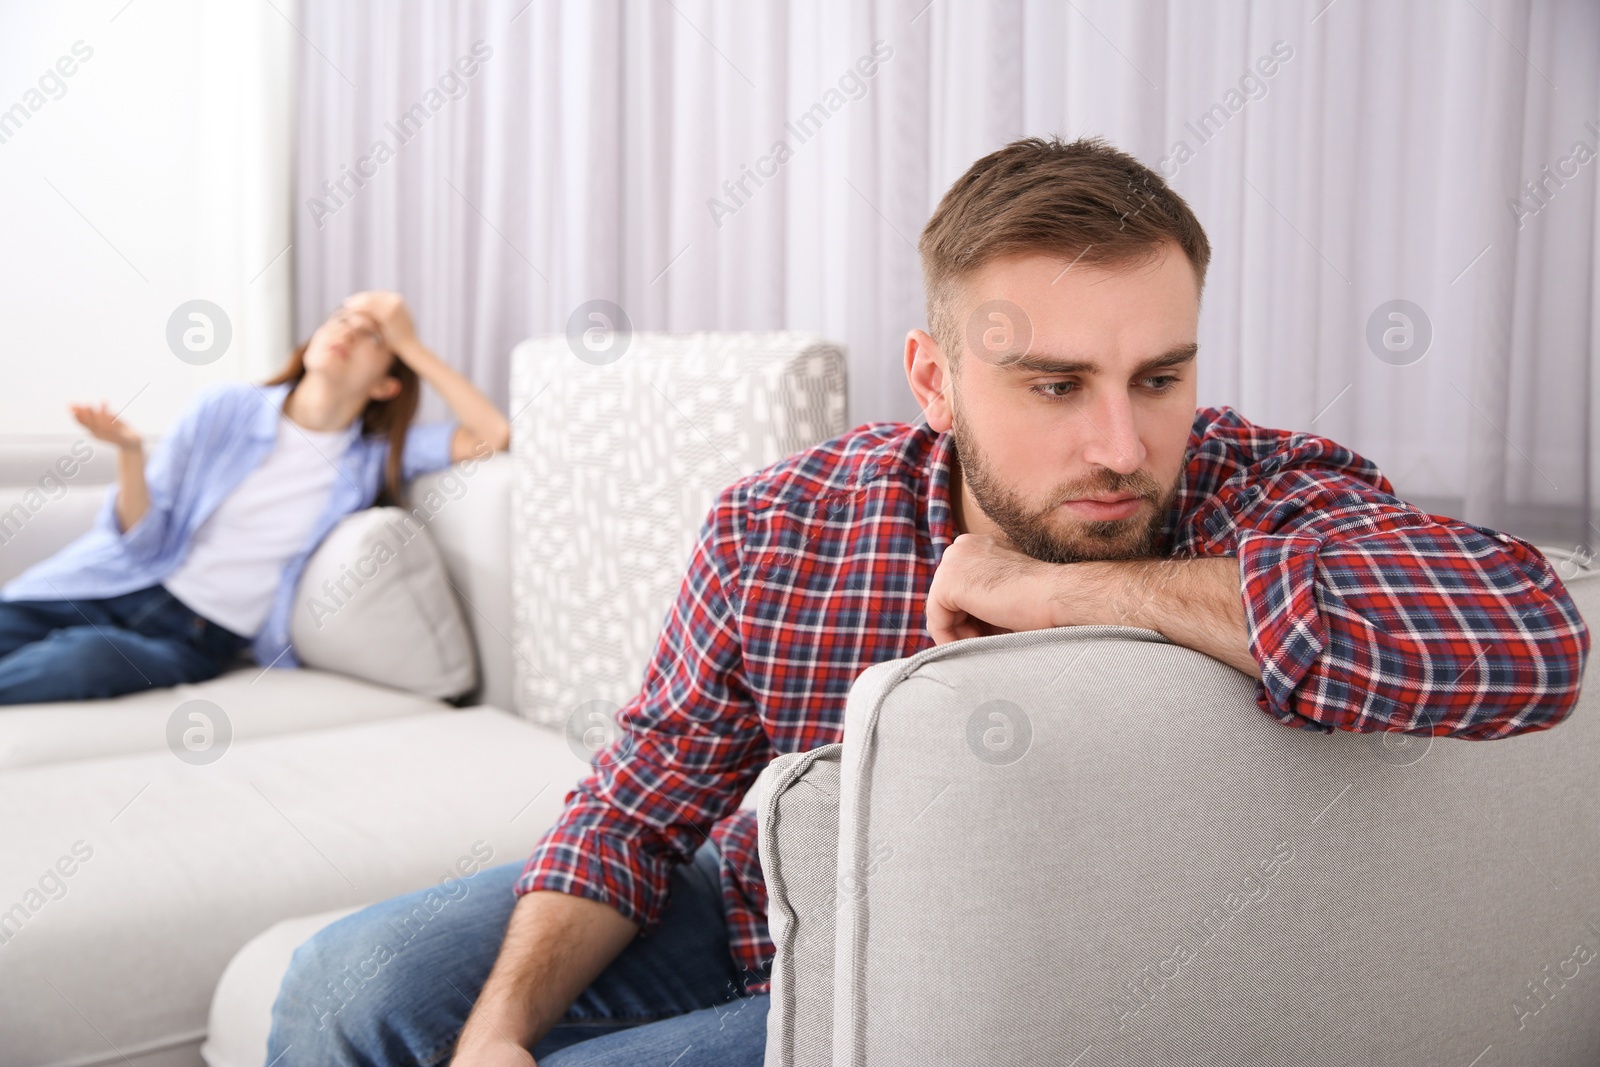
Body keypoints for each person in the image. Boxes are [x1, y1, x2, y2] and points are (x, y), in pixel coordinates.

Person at [264, 137, 1591, 1066]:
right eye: (1056, 385)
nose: (1123, 445)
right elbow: (639, 802)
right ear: (937, 378)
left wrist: (1080, 592)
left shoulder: (1253, 493)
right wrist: (500, 1021)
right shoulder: (782, 524)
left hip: (1017, 994)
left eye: (1160, 376)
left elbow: (1530, 637)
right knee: (352, 988)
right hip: (764, 906)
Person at [0, 291, 510, 704]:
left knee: (87, 660)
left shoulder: (373, 459)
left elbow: (492, 434)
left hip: (196, 638)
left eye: (373, 336)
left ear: (386, 385)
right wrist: (131, 454)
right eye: (341, 318)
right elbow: (140, 544)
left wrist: (411, 344)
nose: (348, 332)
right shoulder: (226, 407)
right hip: (112, 584)